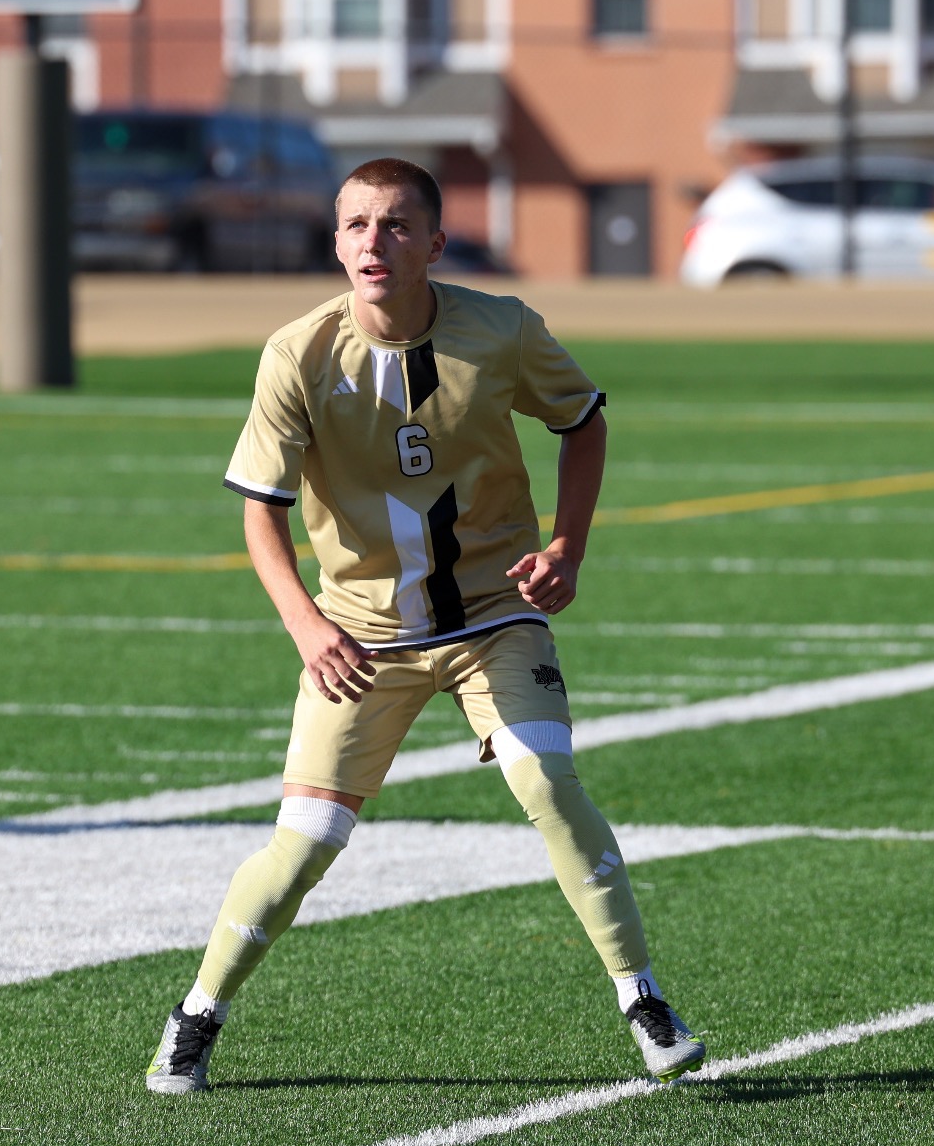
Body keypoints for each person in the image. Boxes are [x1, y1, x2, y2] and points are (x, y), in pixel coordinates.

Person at [145, 158, 702, 1094]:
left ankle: (642, 997)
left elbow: (585, 420)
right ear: (335, 241)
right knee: (306, 844)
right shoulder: (298, 353)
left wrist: (567, 546)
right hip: (361, 638)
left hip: (493, 616)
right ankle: (196, 1014)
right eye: (357, 224)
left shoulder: (503, 329)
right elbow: (259, 511)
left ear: (436, 245)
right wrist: (307, 627)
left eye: (398, 225)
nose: (375, 241)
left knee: (547, 782)